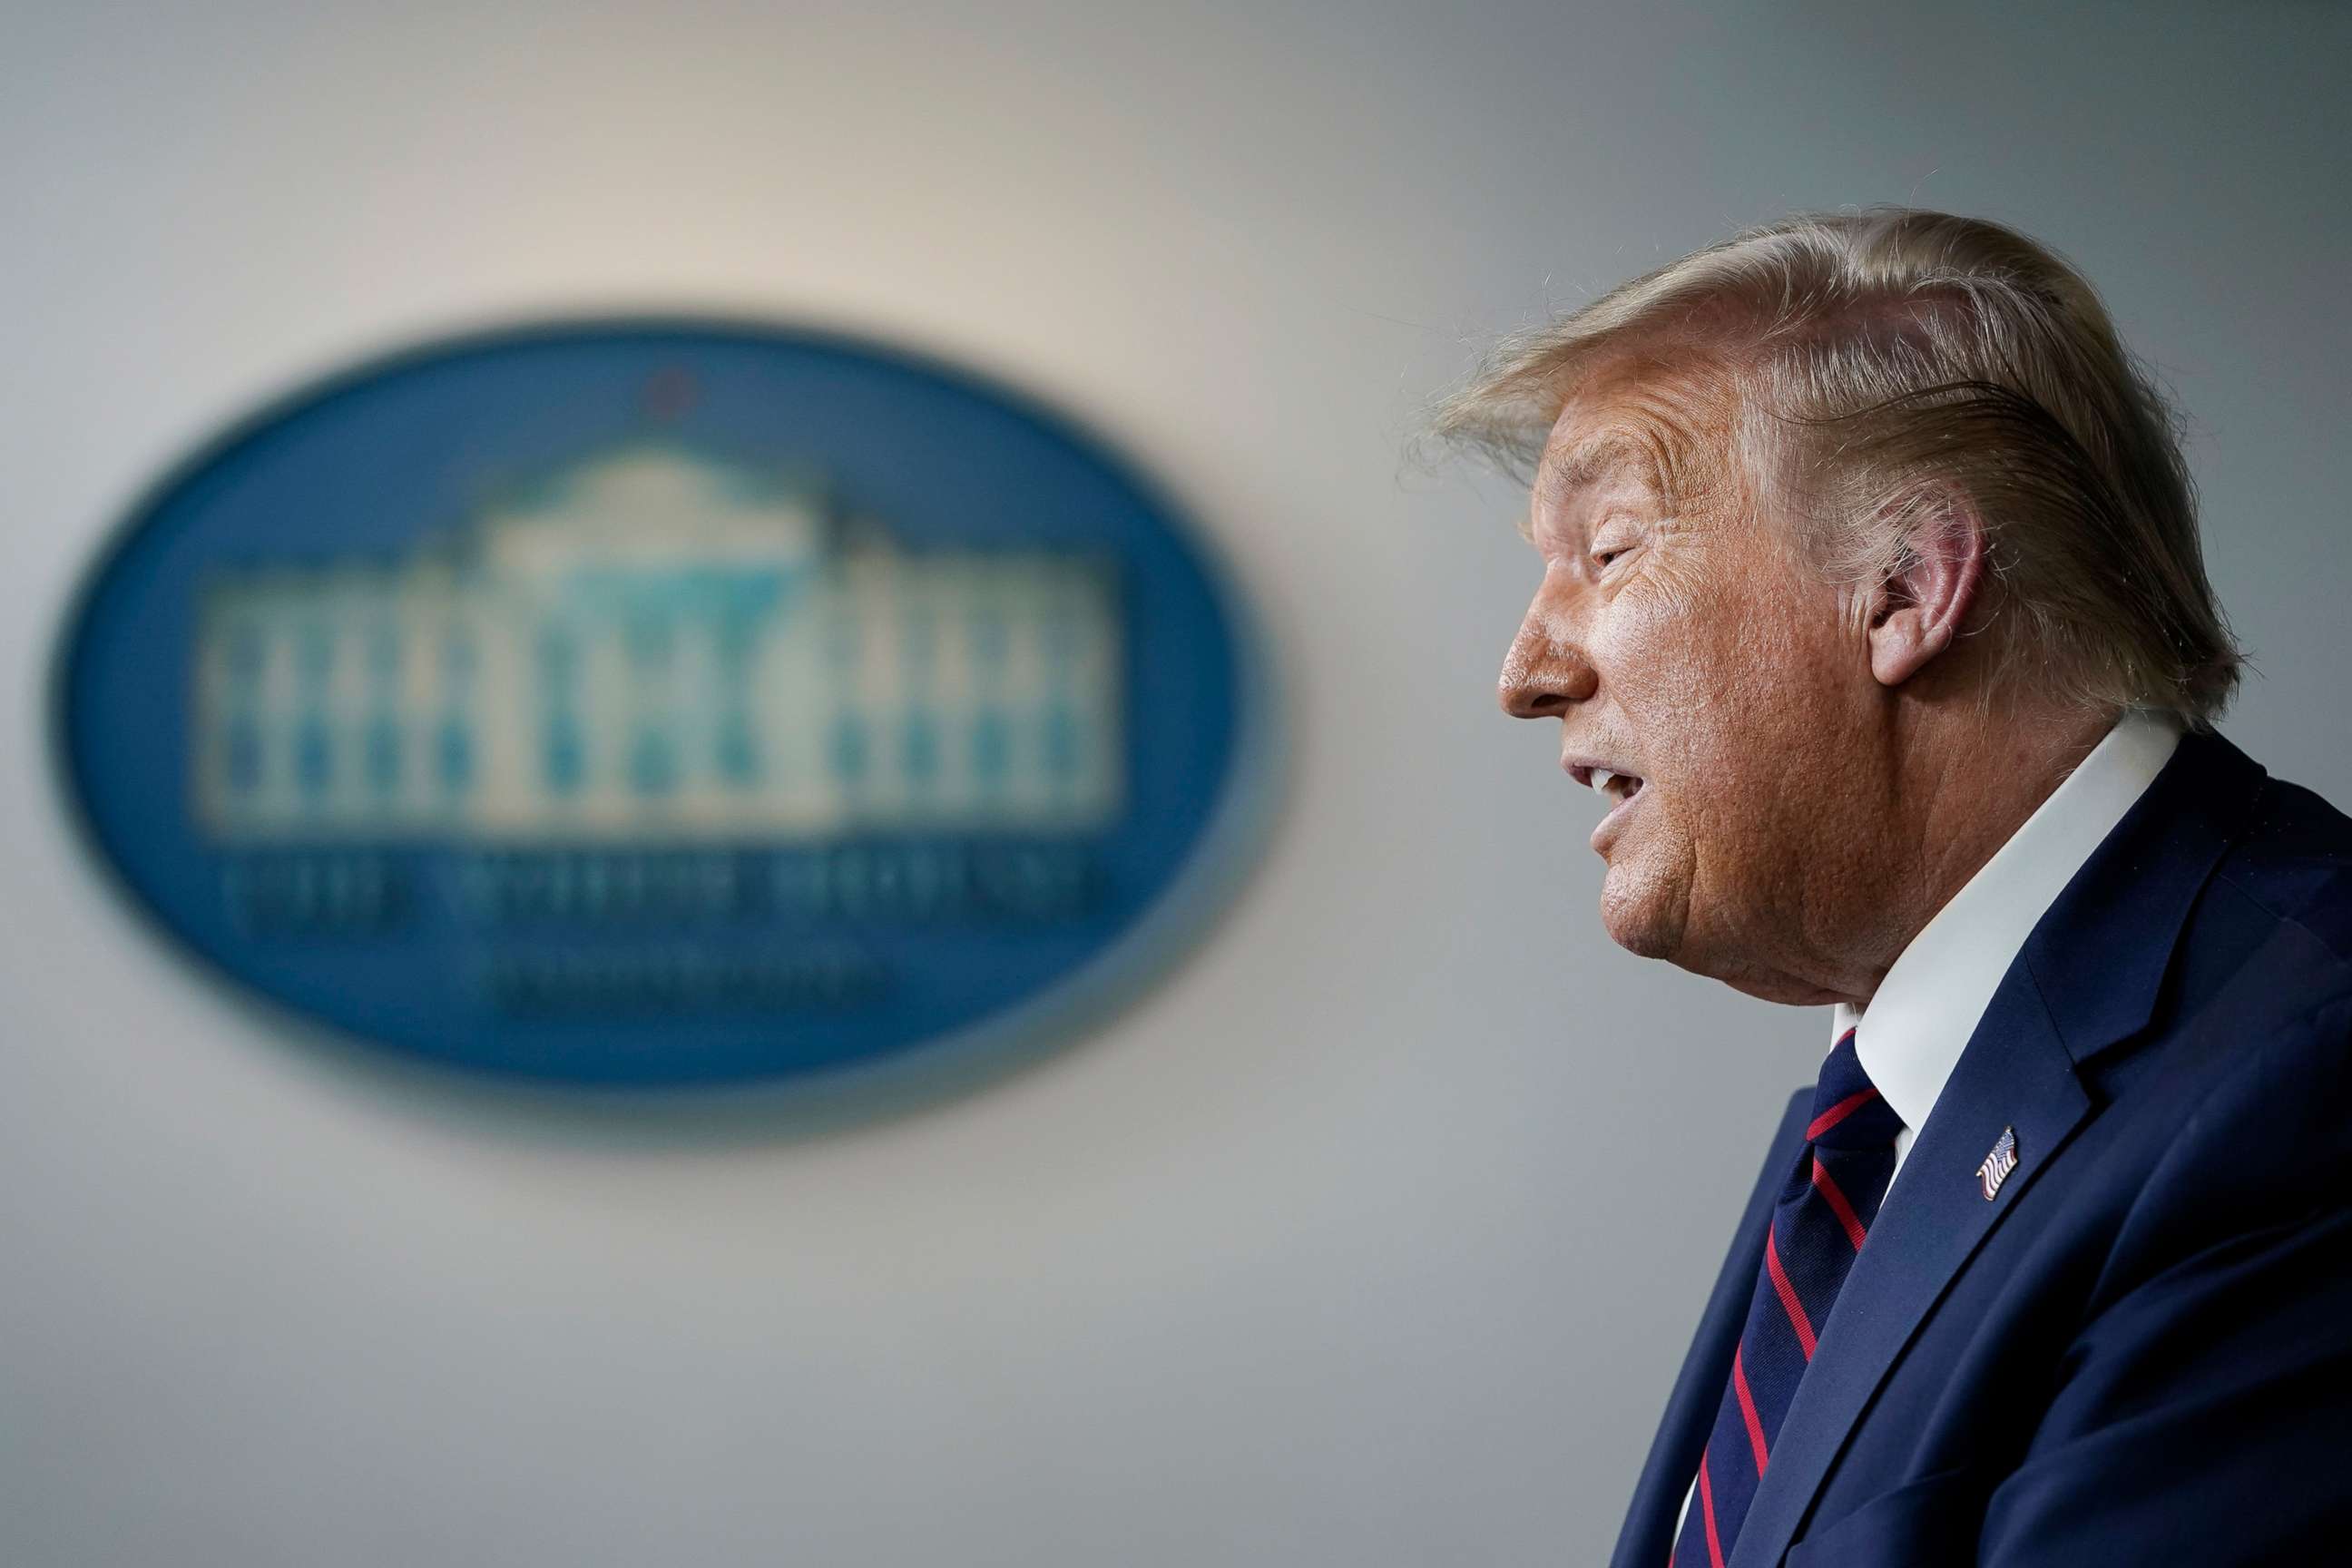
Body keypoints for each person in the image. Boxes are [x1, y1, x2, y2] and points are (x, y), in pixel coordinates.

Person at [1435, 209, 2351, 1566]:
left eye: (1610, 549)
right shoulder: (1884, 1104)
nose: (1525, 673)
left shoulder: (2306, 1084)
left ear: (1907, 585)